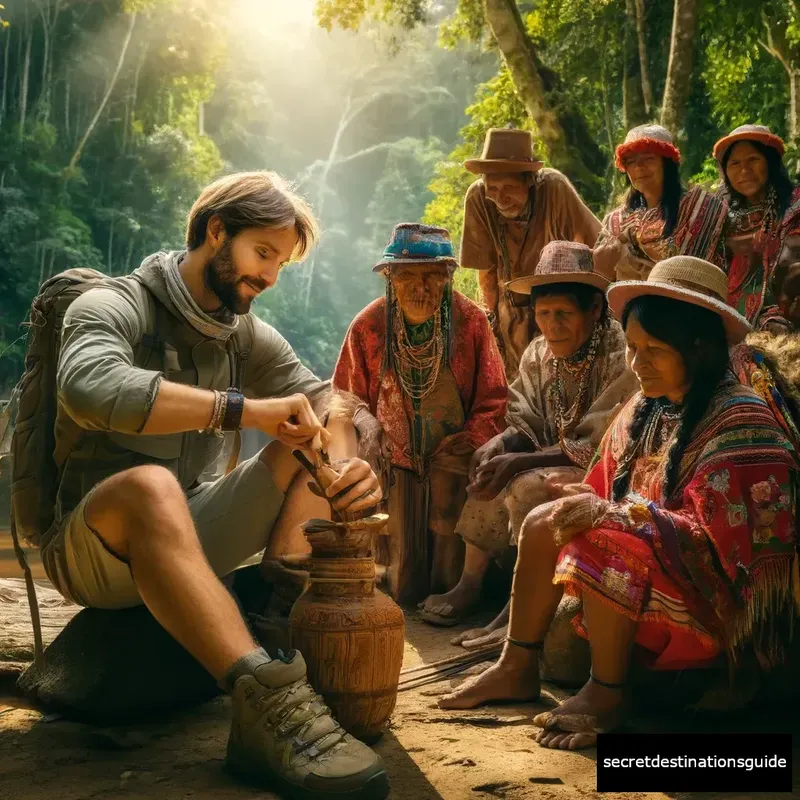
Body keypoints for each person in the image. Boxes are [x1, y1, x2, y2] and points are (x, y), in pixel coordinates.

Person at [46, 172, 390, 799]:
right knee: (151, 487)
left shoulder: (243, 334)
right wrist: (240, 409)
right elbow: (89, 386)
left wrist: (339, 465)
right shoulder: (112, 306)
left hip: (193, 526)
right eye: (263, 254)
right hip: (94, 548)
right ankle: (268, 703)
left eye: (280, 263)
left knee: (309, 431)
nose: (270, 277)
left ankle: (280, 613)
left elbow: (326, 400)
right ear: (215, 232)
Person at [438, 257, 798, 753]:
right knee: (544, 519)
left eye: (654, 350)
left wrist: (616, 516)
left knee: (607, 542)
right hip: (653, 566)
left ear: (698, 347)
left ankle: (608, 694)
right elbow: (602, 487)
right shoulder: (645, 408)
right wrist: (585, 501)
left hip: (720, 605)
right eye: (632, 348)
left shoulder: (743, 421)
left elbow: (726, 550)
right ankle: (515, 666)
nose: (637, 363)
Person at [419, 242, 637, 636]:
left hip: (610, 467)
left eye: (564, 314)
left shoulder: (620, 352)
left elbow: (603, 440)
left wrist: (520, 461)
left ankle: (519, 609)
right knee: (489, 465)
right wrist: (502, 445)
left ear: (595, 309)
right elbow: (525, 417)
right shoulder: (539, 352)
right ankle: (470, 583)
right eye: (543, 314)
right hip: (552, 455)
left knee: (526, 485)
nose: (551, 326)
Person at [333, 223, 507, 604]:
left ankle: (456, 594)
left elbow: (494, 398)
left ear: (447, 277)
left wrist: (469, 440)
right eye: (408, 275)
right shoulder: (368, 325)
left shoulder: (471, 322)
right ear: (390, 278)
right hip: (391, 459)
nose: (420, 287)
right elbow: (343, 393)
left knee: (454, 485)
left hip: (451, 456)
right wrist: (366, 421)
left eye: (432, 276)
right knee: (393, 572)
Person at [460, 127, 601, 380]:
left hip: (560, 304)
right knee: (518, 389)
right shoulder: (479, 198)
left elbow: (597, 248)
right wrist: (492, 324)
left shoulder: (554, 189)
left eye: (509, 187)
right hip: (510, 310)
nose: (500, 198)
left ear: (529, 181)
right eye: (492, 188)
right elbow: (486, 271)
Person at [594, 125, 726, 281]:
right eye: (630, 161)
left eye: (648, 158)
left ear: (667, 163)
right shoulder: (615, 221)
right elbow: (600, 275)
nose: (638, 167)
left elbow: (692, 274)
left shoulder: (701, 207)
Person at [714, 124, 800, 332]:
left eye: (753, 160)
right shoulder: (718, 214)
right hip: (725, 315)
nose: (744, 171)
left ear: (770, 163)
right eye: (734, 163)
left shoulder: (794, 206)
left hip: (782, 313)